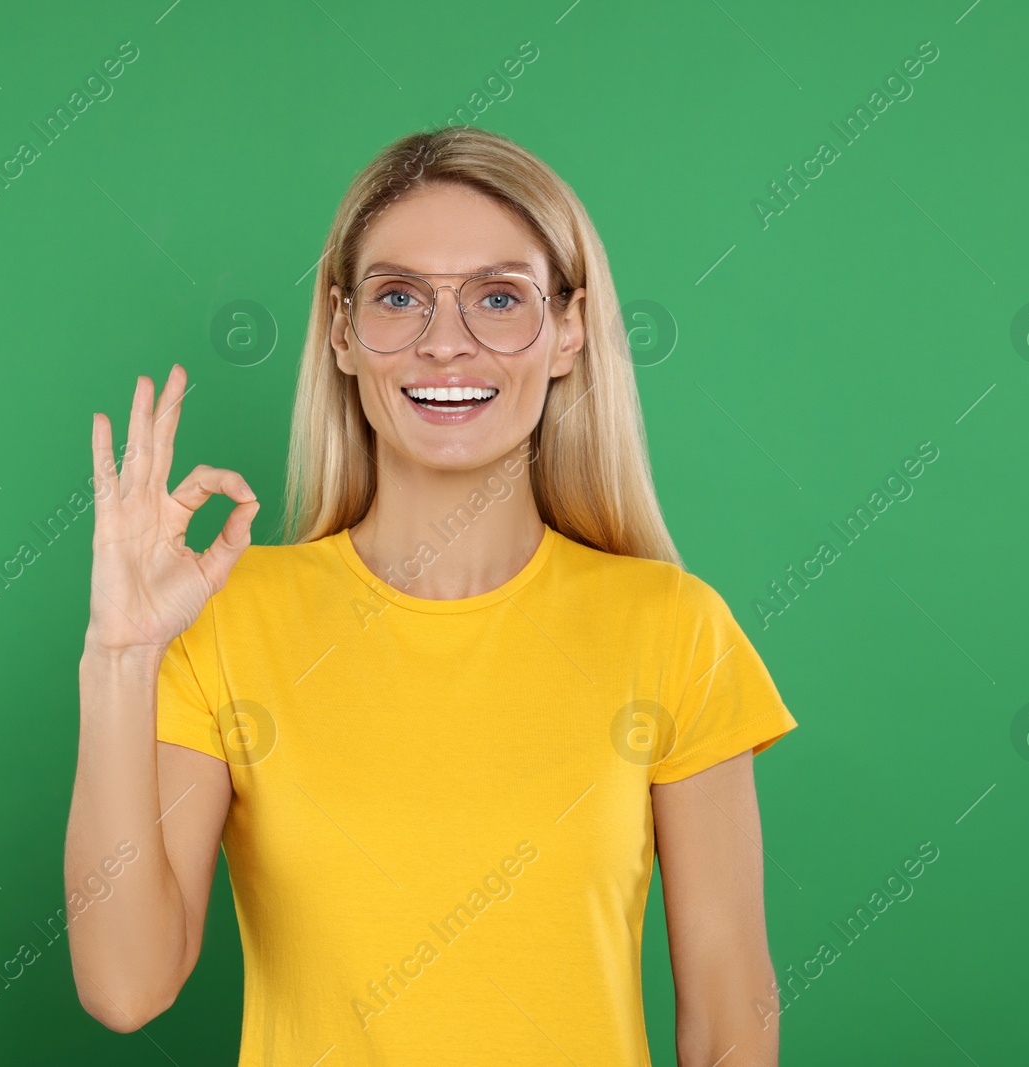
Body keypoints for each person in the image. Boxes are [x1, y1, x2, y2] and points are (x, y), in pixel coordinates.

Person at [64, 126, 798, 1066]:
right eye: (400, 297)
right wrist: (120, 658)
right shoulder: (229, 617)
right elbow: (127, 986)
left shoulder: (674, 629)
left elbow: (734, 1024)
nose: (445, 343)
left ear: (570, 330)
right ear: (341, 331)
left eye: (499, 298)